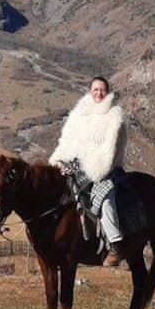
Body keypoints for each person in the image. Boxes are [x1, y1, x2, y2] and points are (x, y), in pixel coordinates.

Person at [49, 76, 127, 267]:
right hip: (78, 166)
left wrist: (95, 169)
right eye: (95, 90)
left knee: (105, 201)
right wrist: (59, 160)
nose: (99, 94)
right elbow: (67, 141)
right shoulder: (80, 114)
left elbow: (111, 151)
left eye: (102, 90)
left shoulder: (115, 117)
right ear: (90, 91)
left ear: (108, 92)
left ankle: (116, 247)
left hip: (104, 169)